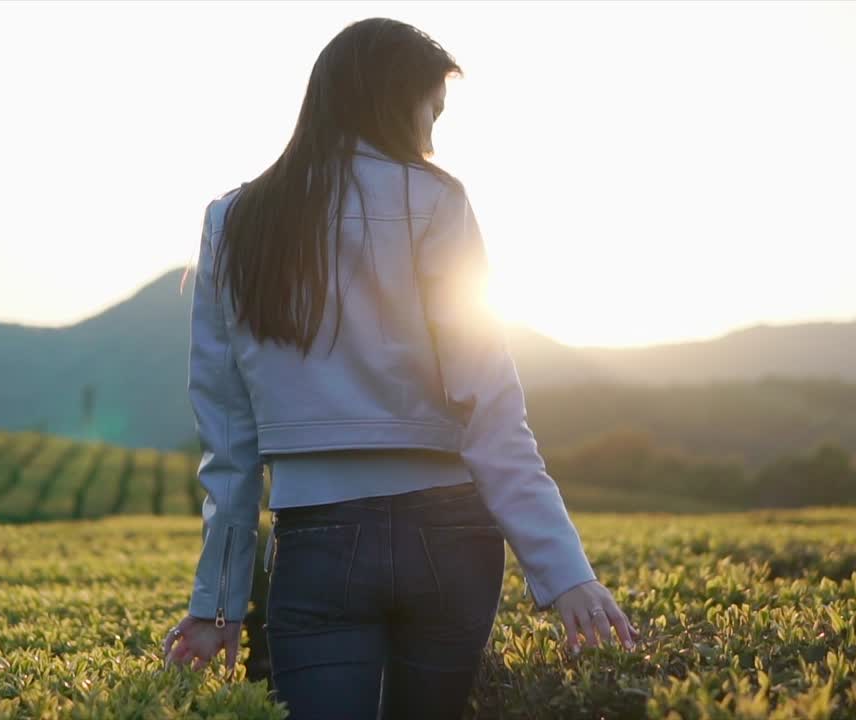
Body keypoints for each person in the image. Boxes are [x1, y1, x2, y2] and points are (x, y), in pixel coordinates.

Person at [163, 16, 638, 719]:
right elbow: (493, 413)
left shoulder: (233, 221)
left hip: (315, 538)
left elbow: (228, 443)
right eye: (431, 112)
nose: (432, 137)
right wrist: (565, 574)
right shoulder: (437, 200)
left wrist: (218, 606)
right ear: (394, 99)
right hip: (449, 538)